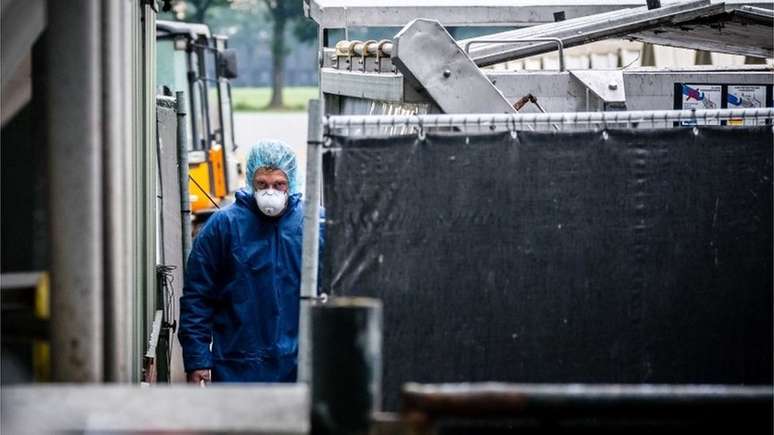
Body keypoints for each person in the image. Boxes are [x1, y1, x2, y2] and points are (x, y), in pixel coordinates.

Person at [179, 139, 315, 384]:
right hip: (237, 368)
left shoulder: (312, 225)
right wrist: (197, 359)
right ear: (251, 179)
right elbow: (197, 297)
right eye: (262, 184)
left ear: (292, 183)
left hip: (298, 368)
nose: (270, 192)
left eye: (279, 184)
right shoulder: (224, 226)